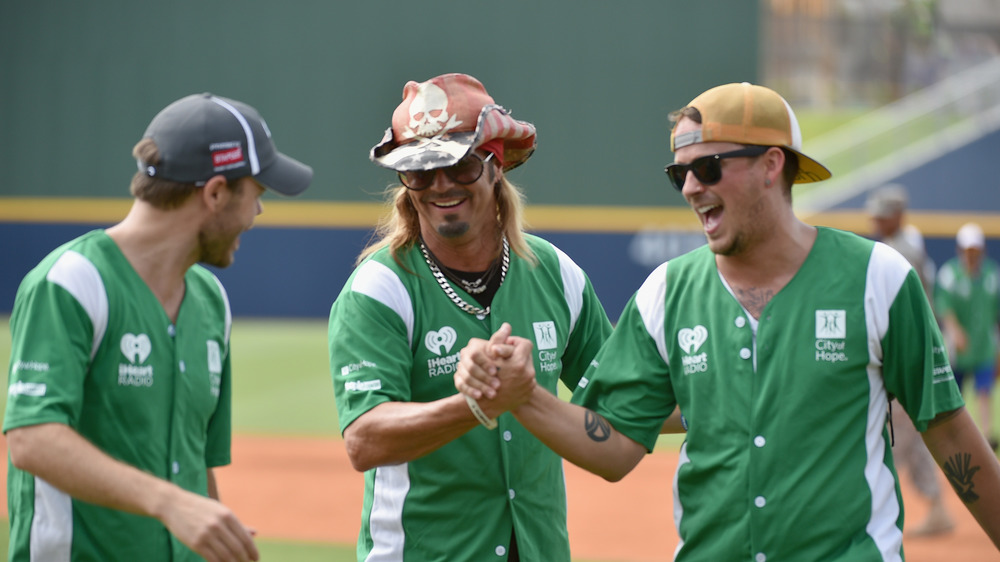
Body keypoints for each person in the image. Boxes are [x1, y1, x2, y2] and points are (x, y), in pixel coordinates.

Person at [456, 82, 1000, 560]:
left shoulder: (879, 279)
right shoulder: (665, 294)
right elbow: (616, 443)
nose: (691, 187)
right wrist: (524, 396)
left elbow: (947, 427)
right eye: (680, 173)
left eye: (708, 167)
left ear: (772, 165)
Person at [4, 93, 313, 562]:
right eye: (258, 194)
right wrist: (169, 503)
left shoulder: (211, 300)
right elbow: (32, 440)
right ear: (214, 193)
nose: (258, 214)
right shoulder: (70, 282)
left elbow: (196, 463)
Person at [327, 73, 612, 561]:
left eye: (459, 165)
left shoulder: (555, 273)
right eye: (419, 172)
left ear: (495, 165)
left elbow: (620, 396)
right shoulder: (379, 289)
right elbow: (365, 439)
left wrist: (726, 390)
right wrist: (479, 404)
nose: (440, 185)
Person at [866, 184, 954, 536]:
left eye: (883, 214)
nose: (877, 220)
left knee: (902, 435)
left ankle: (932, 508)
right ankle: (932, 507)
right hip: (907, 354)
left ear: (898, 215)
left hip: (910, 356)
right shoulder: (899, 246)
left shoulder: (901, 249)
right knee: (899, 433)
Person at [936, 222, 1000, 452]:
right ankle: (953, 438)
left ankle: (987, 438)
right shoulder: (949, 275)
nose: (972, 256)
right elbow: (943, 306)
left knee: (985, 392)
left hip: (983, 344)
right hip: (959, 348)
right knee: (955, 395)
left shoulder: (992, 275)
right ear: (960, 250)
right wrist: (954, 330)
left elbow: (996, 312)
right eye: (968, 250)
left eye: (975, 251)